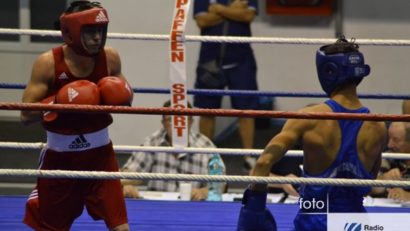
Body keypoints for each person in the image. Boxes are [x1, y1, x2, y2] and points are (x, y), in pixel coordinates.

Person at [237, 37, 387, 231]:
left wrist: (253, 213)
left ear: (328, 71)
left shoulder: (309, 118)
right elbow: (368, 183)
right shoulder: (379, 127)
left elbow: (264, 163)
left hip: (314, 223)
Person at [20, 1, 131, 230]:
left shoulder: (110, 58)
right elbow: (25, 113)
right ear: (70, 33)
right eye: (90, 31)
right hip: (61, 160)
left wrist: (120, 95)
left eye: (100, 30)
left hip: (101, 158)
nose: (97, 38)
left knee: (121, 227)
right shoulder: (48, 63)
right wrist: (59, 102)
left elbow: (125, 97)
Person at [193, 0, 259, 171]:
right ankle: (205, 156)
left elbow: (247, 15)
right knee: (206, 110)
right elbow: (202, 21)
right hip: (210, 60)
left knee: (246, 110)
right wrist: (233, 11)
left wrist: (218, 9)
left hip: (241, 60)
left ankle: (248, 157)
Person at [121, 100, 226, 201]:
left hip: (193, 207)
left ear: (191, 122)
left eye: (183, 119)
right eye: (170, 120)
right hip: (157, 208)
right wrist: (126, 186)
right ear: (163, 123)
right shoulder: (152, 142)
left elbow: (221, 184)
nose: (177, 125)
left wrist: (204, 192)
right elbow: (129, 174)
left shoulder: (206, 146)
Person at [371, 122, 410, 201]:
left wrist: (408, 196)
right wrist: (384, 178)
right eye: (389, 138)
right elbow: (369, 188)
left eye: (396, 140)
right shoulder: (388, 156)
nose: (389, 145)